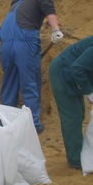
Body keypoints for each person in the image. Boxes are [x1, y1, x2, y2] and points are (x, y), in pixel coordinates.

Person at [0, 0, 63, 133]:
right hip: (24, 42)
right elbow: (49, 12)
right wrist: (55, 30)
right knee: (30, 82)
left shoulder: (18, 0)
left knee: (9, 82)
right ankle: (32, 124)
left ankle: (5, 121)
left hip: (5, 43)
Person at [49, 36, 93, 170]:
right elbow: (78, 68)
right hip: (62, 73)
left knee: (80, 113)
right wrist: (90, 93)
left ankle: (78, 153)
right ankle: (76, 159)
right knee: (72, 116)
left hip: (75, 74)